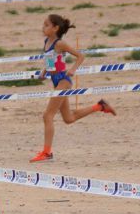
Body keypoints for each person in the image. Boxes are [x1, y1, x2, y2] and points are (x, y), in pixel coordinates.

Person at [30, 14, 116, 163]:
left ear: (55, 28)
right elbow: (51, 60)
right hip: (55, 81)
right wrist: (45, 71)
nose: (43, 28)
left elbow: (80, 56)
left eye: (46, 25)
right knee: (68, 118)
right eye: (43, 24)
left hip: (64, 81)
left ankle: (47, 152)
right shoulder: (46, 41)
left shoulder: (59, 43)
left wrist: (73, 69)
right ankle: (100, 106)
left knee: (47, 115)